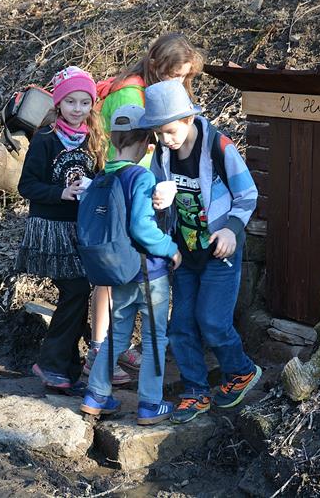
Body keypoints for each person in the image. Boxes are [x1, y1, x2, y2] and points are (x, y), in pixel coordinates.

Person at [85, 33, 205, 382]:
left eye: (185, 77)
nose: (179, 83)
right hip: (124, 198)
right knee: (112, 277)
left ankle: (111, 355)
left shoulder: (149, 93)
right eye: (174, 75)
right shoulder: (131, 95)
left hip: (134, 193)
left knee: (121, 279)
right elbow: (121, 150)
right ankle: (100, 351)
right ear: (155, 66)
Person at [142, 80, 262, 423]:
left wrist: (231, 229)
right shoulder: (162, 154)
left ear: (188, 119)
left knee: (211, 320)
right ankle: (195, 390)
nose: (165, 139)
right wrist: (158, 202)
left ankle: (241, 370)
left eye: (169, 131)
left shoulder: (218, 147)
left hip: (220, 249)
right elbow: (156, 195)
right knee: (180, 326)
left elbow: (248, 194)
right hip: (185, 252)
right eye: (158, 133)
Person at [79, 105, 182, 425]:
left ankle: (96, 396)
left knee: (116, 335)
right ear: (145, 142)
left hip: (118, 271)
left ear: (114, 139)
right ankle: (150, 404)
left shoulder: (103, 175)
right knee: (154, 339)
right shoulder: (140, 176)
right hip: (149, 272)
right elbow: (141, 227)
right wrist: (170, 248)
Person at [16, 66, 106, 395]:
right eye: (71, 102)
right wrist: (61, 192)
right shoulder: (45, 139)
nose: (78, 109)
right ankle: (52, 363)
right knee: (77, 289)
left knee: (77, 293)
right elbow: (26, 186)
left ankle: (67, 371)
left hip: (81, 228)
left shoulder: (93, 139)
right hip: (51, 229)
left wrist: (95, 189)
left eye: (85, 102)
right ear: (58, 103)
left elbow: (101, 176)